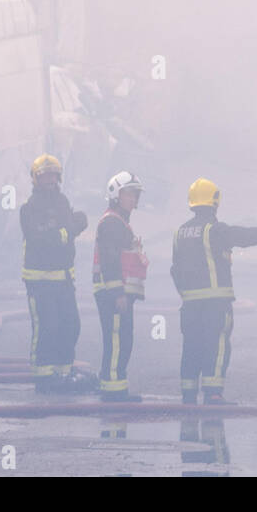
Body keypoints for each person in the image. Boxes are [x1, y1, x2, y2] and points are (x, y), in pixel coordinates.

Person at [171, 178, 257, 404]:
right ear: (215, 203)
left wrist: (185, 295)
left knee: (191, 346)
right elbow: (247, 236)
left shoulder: (180, 233)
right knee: (217, 344)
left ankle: (188, 394)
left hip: (189, 305)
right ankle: (213, 394)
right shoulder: (215, 230)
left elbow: (175, 270)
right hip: (215, 303)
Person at [20, 155, 95, 394]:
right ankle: (43, 376)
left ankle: (64, 372)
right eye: (45, 176)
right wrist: (70, 229)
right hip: (39, 281)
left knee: (70, 325)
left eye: (54, 175)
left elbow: (60, 232)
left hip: (63, 279)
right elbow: (42, 239)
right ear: (36, 179)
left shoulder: (62, 201)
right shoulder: (29, 208)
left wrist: (68, 228)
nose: (50, 180)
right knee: (46, 327)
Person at [92, 171, 149, 402]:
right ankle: (114, 391)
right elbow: (110, 260)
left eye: (135, 195)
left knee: (121, 339)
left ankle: (113, 384)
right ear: (116, 194)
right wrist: (118, 293)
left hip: (119, 293)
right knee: (118, 340)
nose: (133, 199)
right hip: (114, 294)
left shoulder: (120, 224)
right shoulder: (112, 224)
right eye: (129, 194)